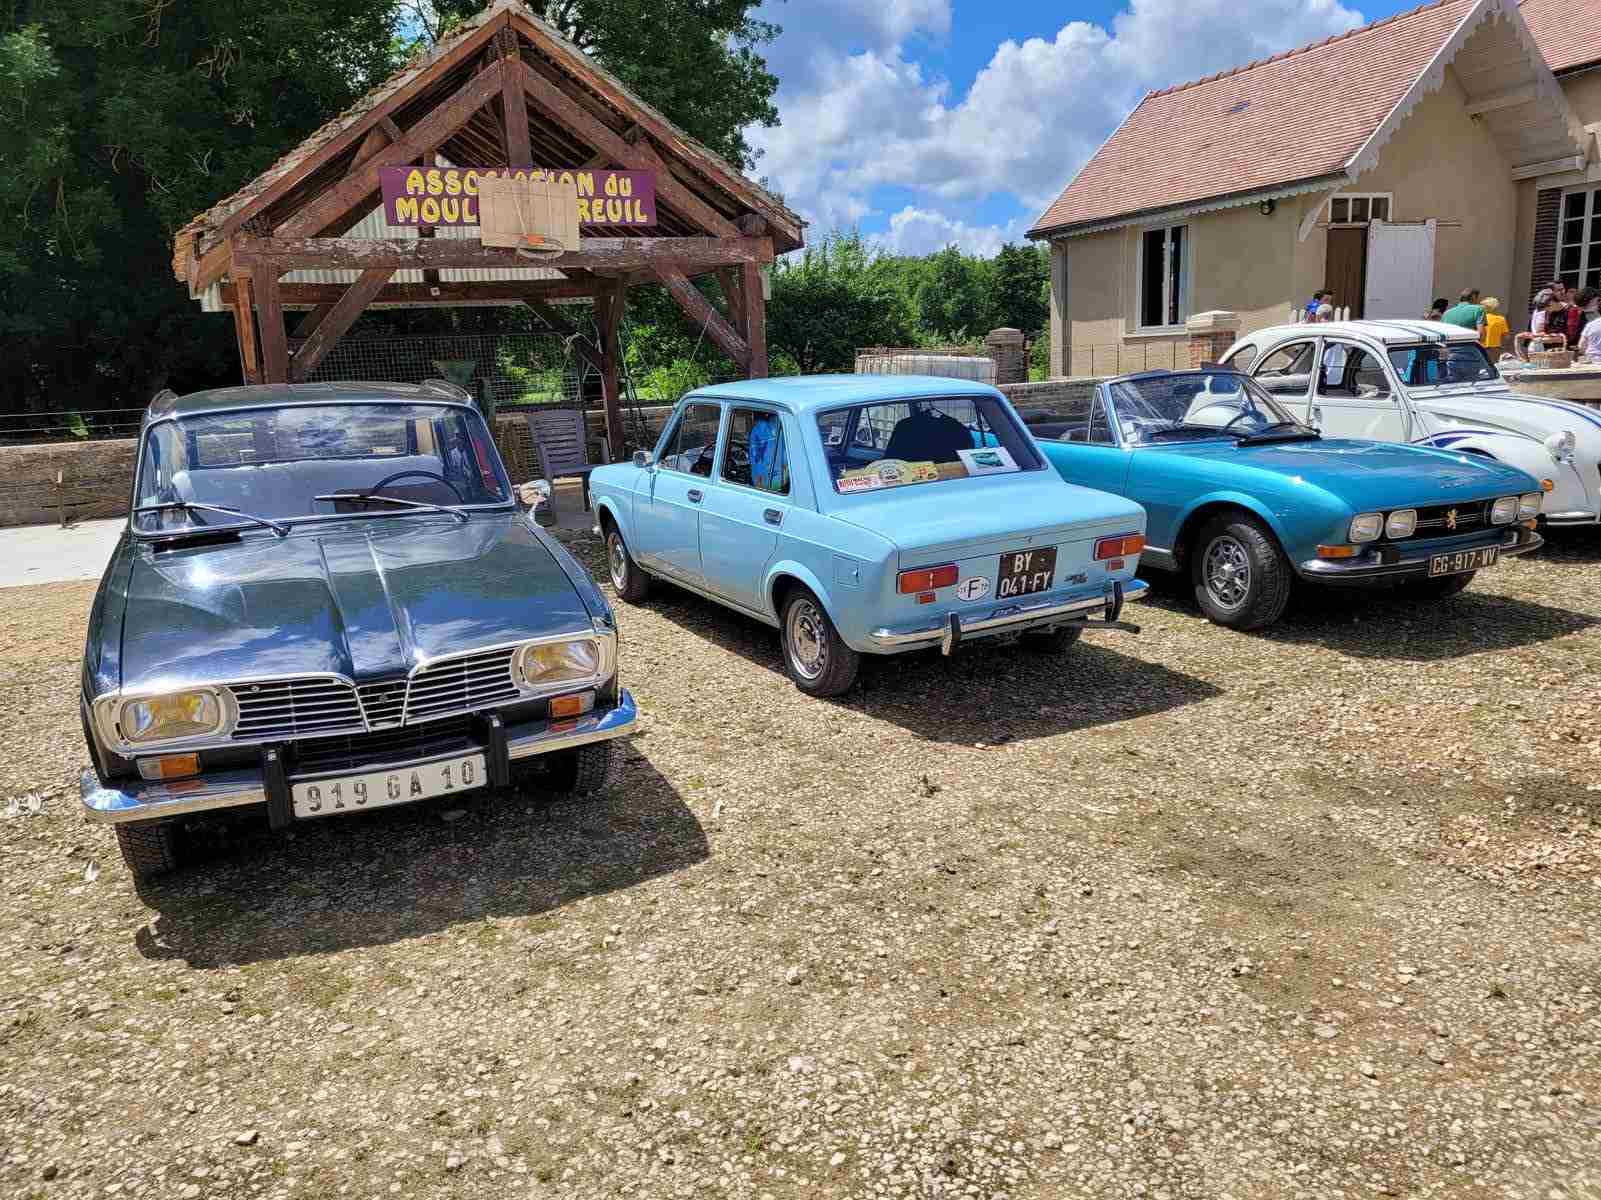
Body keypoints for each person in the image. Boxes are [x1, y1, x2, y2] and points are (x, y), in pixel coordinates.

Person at [1576, 288, 1601, 361]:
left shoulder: (1595, 313)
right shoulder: (1580, 315)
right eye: (1597, 300)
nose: (1599, 302)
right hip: (1587, 352)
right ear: (1588, 300)